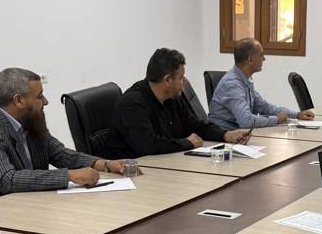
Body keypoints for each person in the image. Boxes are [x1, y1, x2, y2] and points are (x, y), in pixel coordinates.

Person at [0, 67, 125, 204]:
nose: (46, 102)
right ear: (18, 100)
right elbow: (7, 179)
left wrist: (104, 164)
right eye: (39, 96)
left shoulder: (27, 118)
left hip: (24, 203)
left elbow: (58, 153)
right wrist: (69, 176)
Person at [99, 47, 252, 159]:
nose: (184, 81)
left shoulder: (172, 98)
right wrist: (187, 143)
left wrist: (225, 134)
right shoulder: (133, 104)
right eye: (181, 77)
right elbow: (148, 145)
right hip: (134, 172)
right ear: (167, 80)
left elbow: (196, 126)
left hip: (166, 164)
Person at [208, 38, 316, 129]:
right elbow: (246, 121)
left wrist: (297, 115)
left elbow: (264, 107)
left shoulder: (244, 80)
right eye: (261, 55)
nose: (264, 59)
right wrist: (277, 119)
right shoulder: (232, 84)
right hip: (223, 138)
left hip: (238, 133)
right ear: (251, 59)